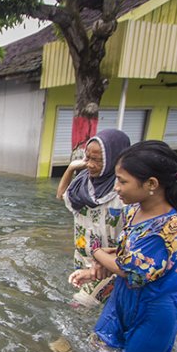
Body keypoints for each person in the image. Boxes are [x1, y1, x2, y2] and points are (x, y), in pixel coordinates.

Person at [70, 140, 177, 352]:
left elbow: (130, 269)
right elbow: (126, 252)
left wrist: (97, 252)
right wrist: (96, 270)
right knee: (98, 350)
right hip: (123, 299)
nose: (117, 187)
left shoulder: (168, 227)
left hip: (154, 310)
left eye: (122, 181)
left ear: (151, 184)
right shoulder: (134, 210)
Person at [56, 129, 131, 307]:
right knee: (96, 308)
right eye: (87, 158)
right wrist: (72, 168)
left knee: (78, 306)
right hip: (84, 260)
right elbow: (61, 195)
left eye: (97, 160)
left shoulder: (125, 190)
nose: (89, 164)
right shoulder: (82, 183)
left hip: (111, 266)